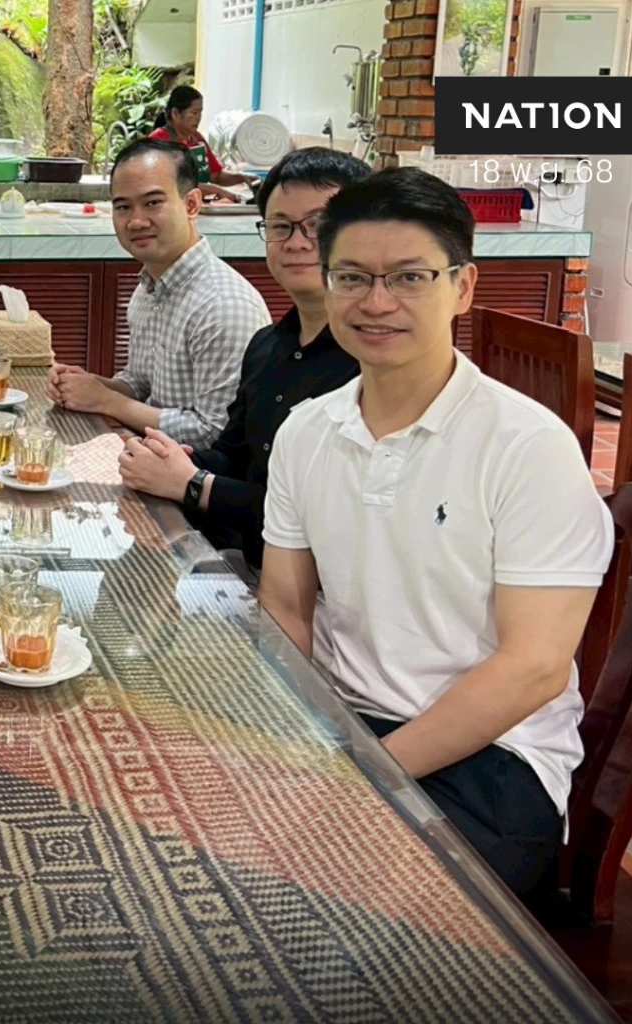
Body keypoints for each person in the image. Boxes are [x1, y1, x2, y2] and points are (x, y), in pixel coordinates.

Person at [259, 168, 613, 899]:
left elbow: (534, 667)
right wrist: (290, 732)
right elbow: (286, 608)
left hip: (492, 759)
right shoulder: (305, 432)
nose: (377, 302)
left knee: (327, 920)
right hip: (343, 723)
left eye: (410, 277)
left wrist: (363, 771)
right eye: (352, 277)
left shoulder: (527, 446)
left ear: (463, 286)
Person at [118, 147, 367, 570]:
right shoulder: (267, 347)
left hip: (325, 591)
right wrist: (164, 457)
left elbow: (324, 515)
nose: (297, 243)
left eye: (318, 225)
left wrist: (192, 483)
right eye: (281, 227)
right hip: (239, 565)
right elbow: (231, 456)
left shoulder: (373, 365)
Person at [48, 138, 268, 447]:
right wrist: (89, 384)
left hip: (195, 473)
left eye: (152, 203)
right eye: (123, 207)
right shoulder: (150, 287)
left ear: (191, 204)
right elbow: (140, 384)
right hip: (148, 458)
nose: (136, 221)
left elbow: (213, 433)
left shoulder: (224, 306)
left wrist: (106, 401)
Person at [147, 85, 258, 204]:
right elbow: (173, 184)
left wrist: (242, 177)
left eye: (200, 113)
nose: (198, 118)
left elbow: (216, 176)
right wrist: (217, 190)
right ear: (175, 114)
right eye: (194, 113)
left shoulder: (197, 139)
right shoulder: (158, 140)